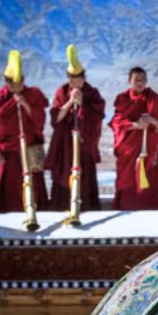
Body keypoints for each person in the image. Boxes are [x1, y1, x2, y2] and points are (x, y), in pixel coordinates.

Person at [46, 44, 106, 212]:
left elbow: (97, 116)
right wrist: (70, 102)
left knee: (84, 178)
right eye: (71, 77)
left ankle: (86, 208)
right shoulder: (62, 91)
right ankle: (63, 208)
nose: (74, 81)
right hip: (65, 146)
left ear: (84, 77)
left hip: (83, 144)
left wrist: (83, 105)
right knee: (64, 176)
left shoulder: (92, 93)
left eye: (77, 77)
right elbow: (56, 118)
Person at [0, 50, 49, 213]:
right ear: (6, 83)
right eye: (13, 84)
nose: (17, 87)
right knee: (11, 181)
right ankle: (12, 209)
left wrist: (24, 103)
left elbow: (40, 118)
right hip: (10, 148)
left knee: (34, 181)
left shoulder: (33, 94)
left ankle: (37, 208)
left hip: (30, 145)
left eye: (20, 83)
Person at [110, 67, 158, 210]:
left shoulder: (154, 99)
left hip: (147, 148)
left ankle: (150, 208)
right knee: (128, 178)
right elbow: (117, 122)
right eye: (136, 80)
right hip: (128, 148)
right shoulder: (122, 99)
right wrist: (135, 125)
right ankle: (126, 207)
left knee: (148, 178)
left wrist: (151, 120)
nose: (140, 83)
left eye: (143, 80)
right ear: (129, 81)